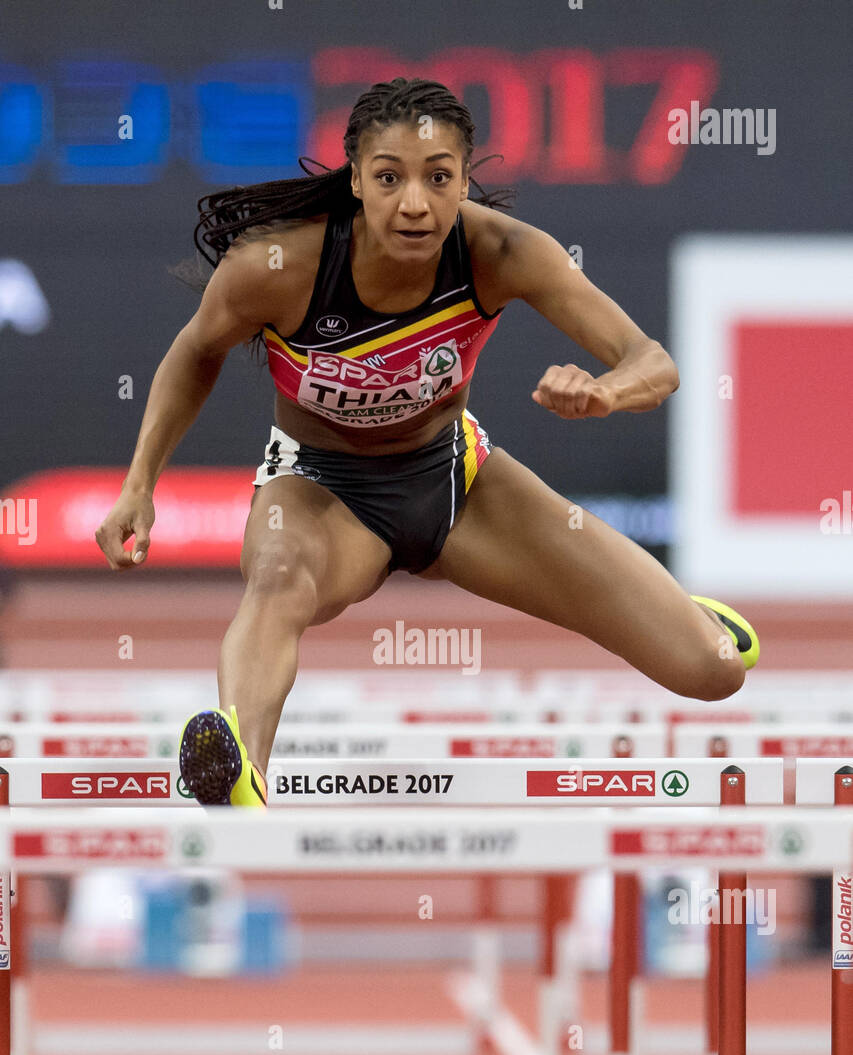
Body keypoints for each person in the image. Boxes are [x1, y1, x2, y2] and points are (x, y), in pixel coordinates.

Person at [94, 77, 759, 807]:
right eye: (389, 177)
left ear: (463, 180)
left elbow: (652, 361)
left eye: (437, 177)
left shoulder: (502, 252)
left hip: (456, 481)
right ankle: (240, 768)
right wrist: (139, 484)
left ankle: (690, 617)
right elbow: (196, 353)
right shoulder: (274, 267)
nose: (414, 202)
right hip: (320, 491)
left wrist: (606, 392)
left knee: (713, 671)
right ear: (355, 179)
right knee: (280, 579)